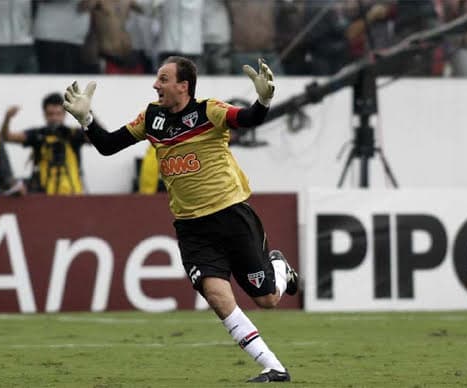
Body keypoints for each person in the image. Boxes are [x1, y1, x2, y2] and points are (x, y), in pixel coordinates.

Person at [63, 56, 299, 383]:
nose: (155, 85)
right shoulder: (151, 117)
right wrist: (87, 119)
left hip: (231, 216)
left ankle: (279, 268)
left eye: (163, 79)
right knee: (217, 297)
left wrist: (264, 100)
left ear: (183, 86)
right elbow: (108, 146)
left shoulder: (209, 110)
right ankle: (273, 366)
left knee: (267, 299)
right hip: (192, 228)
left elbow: (247, 119)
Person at [1, 92, 103, 194]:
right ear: (44, 114)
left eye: (58, 114)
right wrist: (7, 118)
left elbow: (101, 138)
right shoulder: (38, 134)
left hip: (73, 195)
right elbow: (6, 137)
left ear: (64, 114)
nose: (54, 118)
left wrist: (88, 113)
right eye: (50, 114)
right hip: (43, 197)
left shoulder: (73, 134)